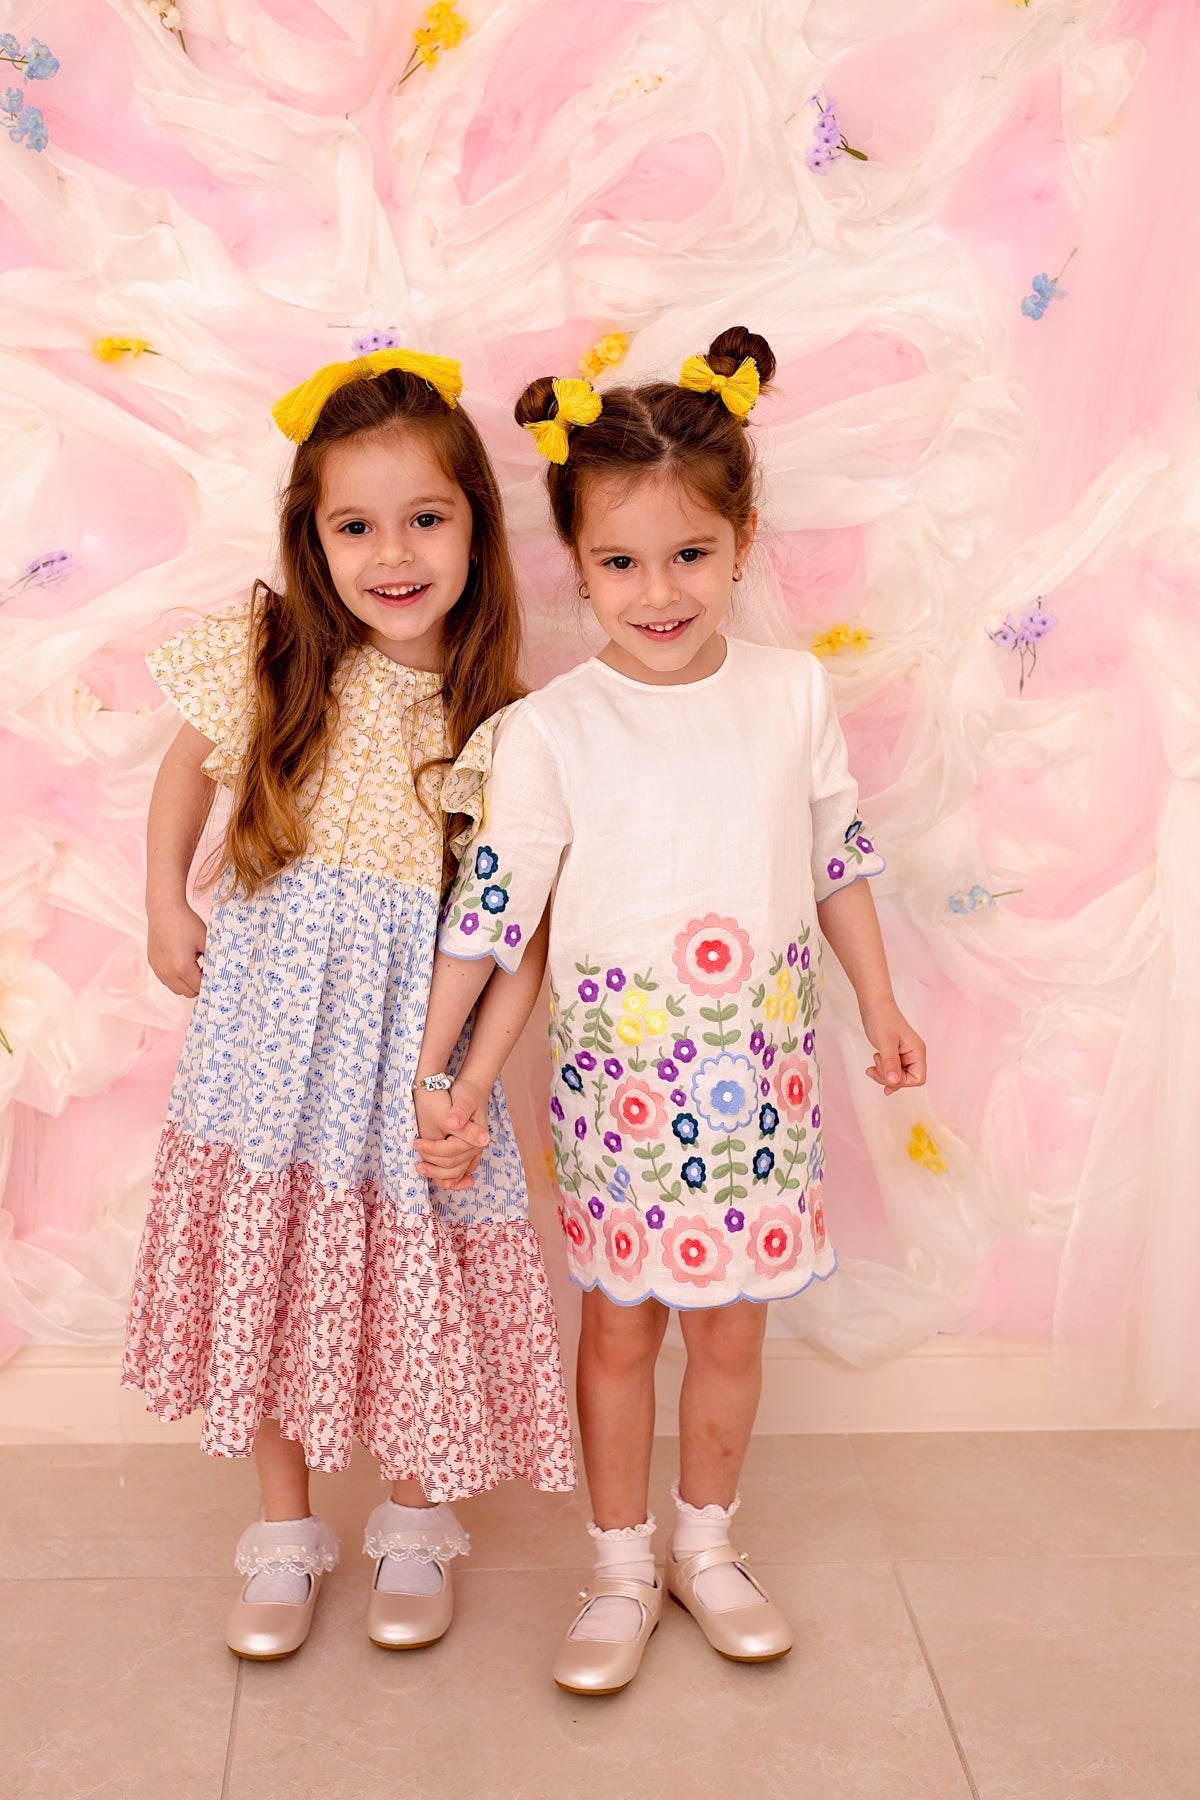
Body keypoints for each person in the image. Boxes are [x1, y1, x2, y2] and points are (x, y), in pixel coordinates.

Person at [412, 328, 926, 1694]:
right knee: (623, 1327)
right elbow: (495, 915)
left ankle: (707, 1544)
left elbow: (836, 863)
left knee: (734, 1327)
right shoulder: (553, 729)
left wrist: (880, 1004)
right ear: (576, 564)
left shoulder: (791, 694)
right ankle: (621, 1563)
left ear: (740, 543)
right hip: (620, 1095)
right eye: (622, 563)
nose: (658, 592)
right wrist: (443, 1070)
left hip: (760, 1090)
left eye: (689, 555)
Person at [122, 348, 575, 1662]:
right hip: (268, 1043)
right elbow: (186, 769)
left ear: (477, 528)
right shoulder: (275, 655)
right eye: (355, 526)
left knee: (409, 1270)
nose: (393, 554)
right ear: (312, 539)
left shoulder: (506, 722)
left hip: (407, 1052)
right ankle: (284, 1531)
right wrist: (165, 903)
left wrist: (471, 1083)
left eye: (425, 518)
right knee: (272, 1264)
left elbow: (521, 935)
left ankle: (417, 1522)